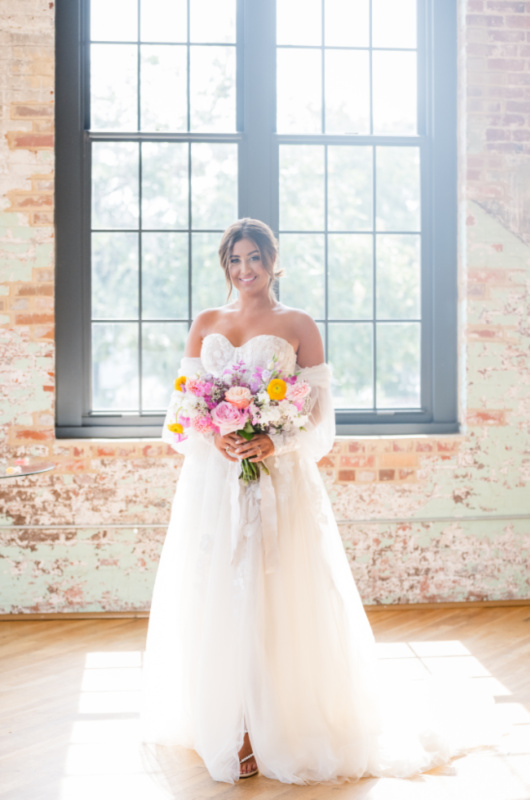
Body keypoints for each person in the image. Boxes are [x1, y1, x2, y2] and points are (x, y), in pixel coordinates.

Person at [141, 219, 493, 784]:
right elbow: (182, 411)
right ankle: (227, 722)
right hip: (214, 486)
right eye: (235, 260)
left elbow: (319, 419)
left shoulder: (298, 324)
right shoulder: (206, 322)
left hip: (278, 483)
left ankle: (269, 727)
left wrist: (271, 438)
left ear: (273, 261)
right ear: (225, 266)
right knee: (215, 594)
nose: (245, 270)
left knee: (276, 595)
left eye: (255, 258)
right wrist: (217, 433)